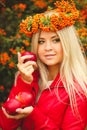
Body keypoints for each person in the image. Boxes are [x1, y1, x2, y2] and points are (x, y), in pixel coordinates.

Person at [0, 0, 87, 129]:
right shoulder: (29, 77)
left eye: (56, 40)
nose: (47, 48)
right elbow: (5, 125)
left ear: (67, 43)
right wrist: (24, 82)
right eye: (41, 41)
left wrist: (33, 114)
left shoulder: (78, 90)